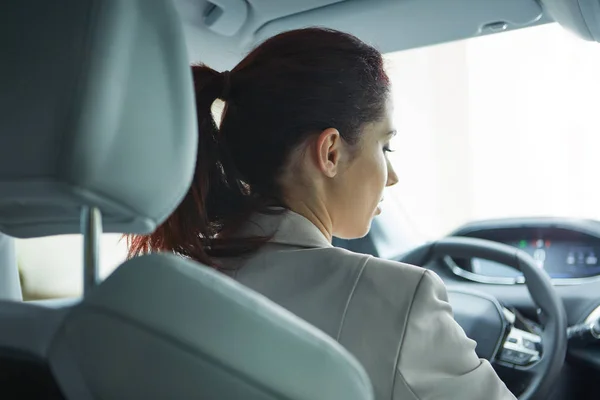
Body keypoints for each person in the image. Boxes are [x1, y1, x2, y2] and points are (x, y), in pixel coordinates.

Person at [127, 28, 516, 400]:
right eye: (385, 147)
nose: (392, 177)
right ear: (330, 152)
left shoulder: (158, 294)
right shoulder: (397, 300)